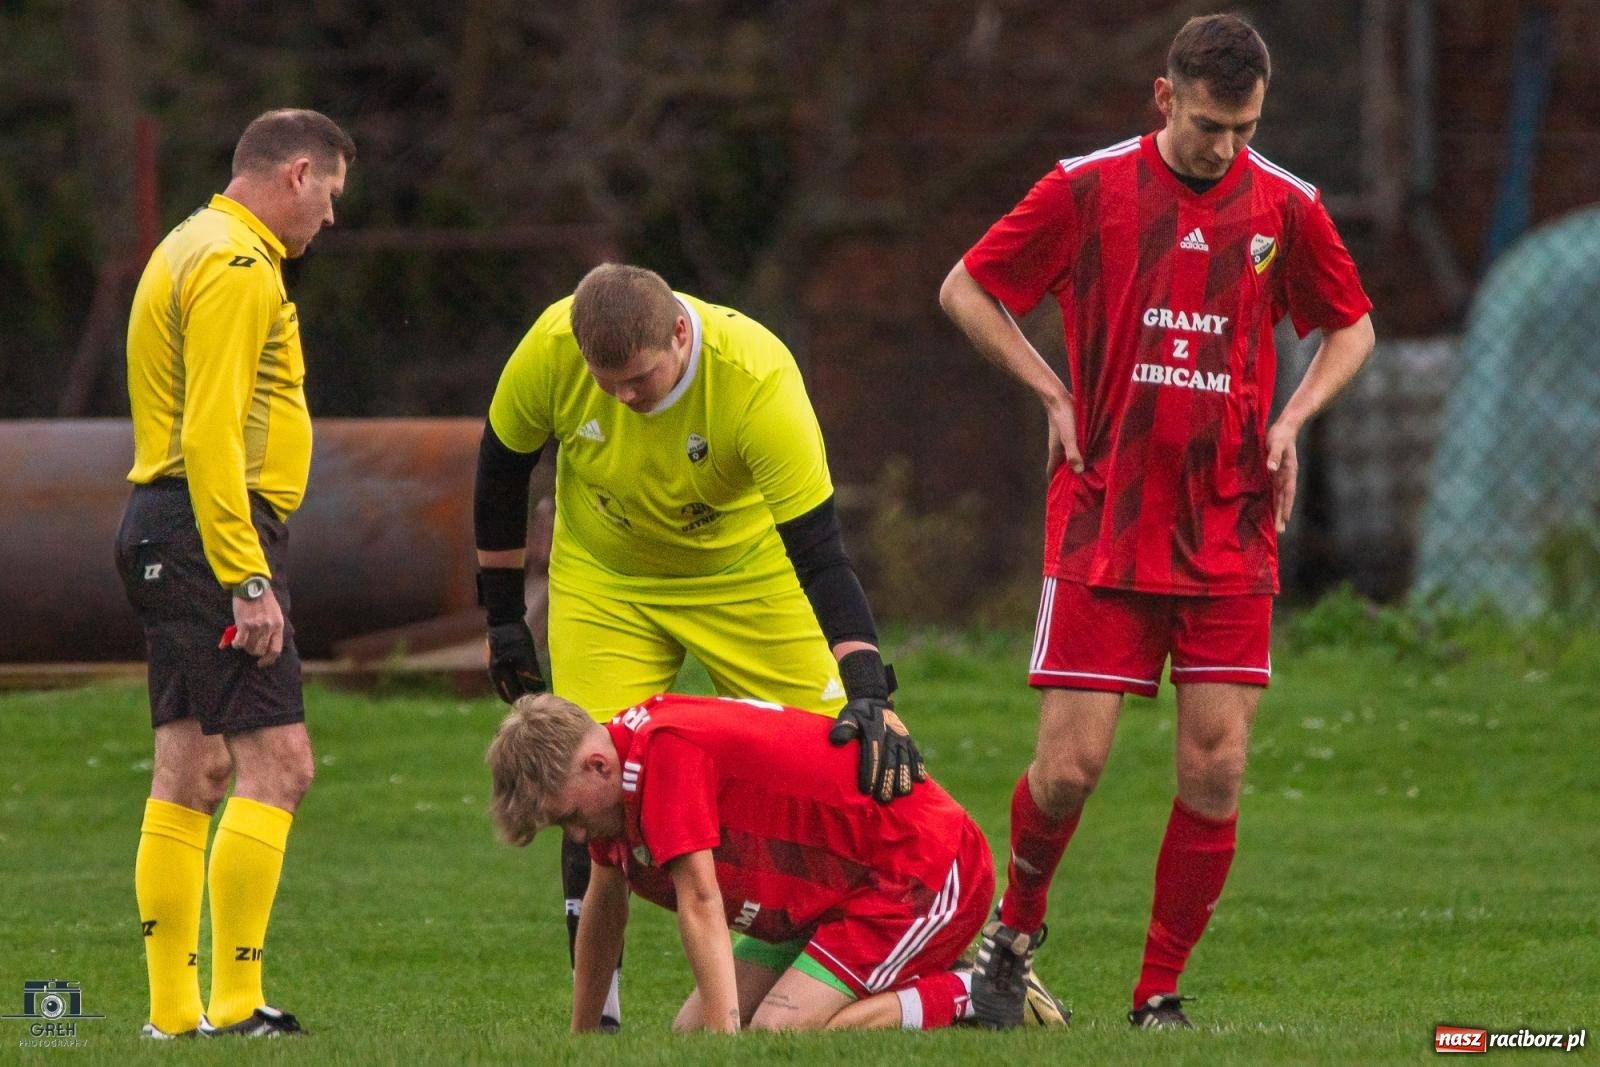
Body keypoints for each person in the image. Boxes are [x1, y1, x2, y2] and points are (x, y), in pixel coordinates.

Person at [939, 13, 1374, 1030]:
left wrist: (1293, 418)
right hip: (1104, 519)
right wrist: (1051, 391)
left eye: (1246, 126)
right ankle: (1010, 939)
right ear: (1164, 95)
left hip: (1228, 525)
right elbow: (966, 287)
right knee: (1067, 768)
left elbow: (1351, 325)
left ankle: (1157, 992)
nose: (1227, 147)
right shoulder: (1085, 187)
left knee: (1216, 765)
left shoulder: (1287, 206)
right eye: (1212, 123)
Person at [472, 263, 925, 1027]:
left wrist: (867, 687)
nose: (623, 398)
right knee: (589, 774)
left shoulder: (756, 378)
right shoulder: (551, 344)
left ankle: (929, 934)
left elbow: (820, 551)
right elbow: (501, 472)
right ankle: (598, 1018)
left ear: (681, 334)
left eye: (640, 379)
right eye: (605, 381)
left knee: (845, 758)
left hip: (745, 574)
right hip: (606, 577)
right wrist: (503, 619)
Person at [116, 108, 354, 1039]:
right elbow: (210, 429)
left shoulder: (188, 240)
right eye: (330, 195)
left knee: (190, 764)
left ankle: (174, 1017)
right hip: (213, 531)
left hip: (164, 527)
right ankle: (234, 1004)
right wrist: (246, 575)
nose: (330, 219)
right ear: (298, 173)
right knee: (280, 764)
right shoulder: (238, 264)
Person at [487, 692, 1069, 1032]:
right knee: (684, 1035)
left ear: (596, 765)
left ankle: (979, 991)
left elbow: (700, 899)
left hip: (919, 869)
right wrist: (580, 1040)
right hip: (825, 892)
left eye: (568, 818)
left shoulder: (663, 756)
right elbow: (603, 906)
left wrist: (726, 1044)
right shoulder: (616, 777)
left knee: (777, 1033)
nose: (576, 833)